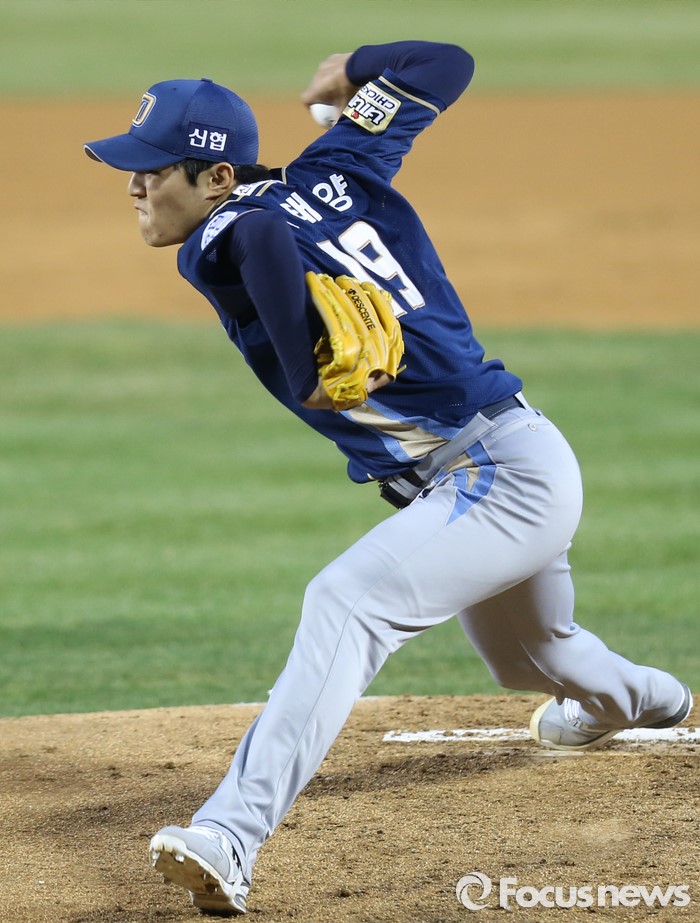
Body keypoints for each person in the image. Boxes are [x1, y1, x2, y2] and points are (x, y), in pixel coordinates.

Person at [84, 41, 692, 916]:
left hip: (499, 476)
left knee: (345, 602)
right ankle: (653, 700)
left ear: (215, 175)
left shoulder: (220, 229)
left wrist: (305, 369)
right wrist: (356, 69)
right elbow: (445, 63)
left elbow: (260, 234)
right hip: (509, 462)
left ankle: (229, 834)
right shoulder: (340, 162)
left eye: (152, 169)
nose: (135, 185)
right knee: (533, 656)